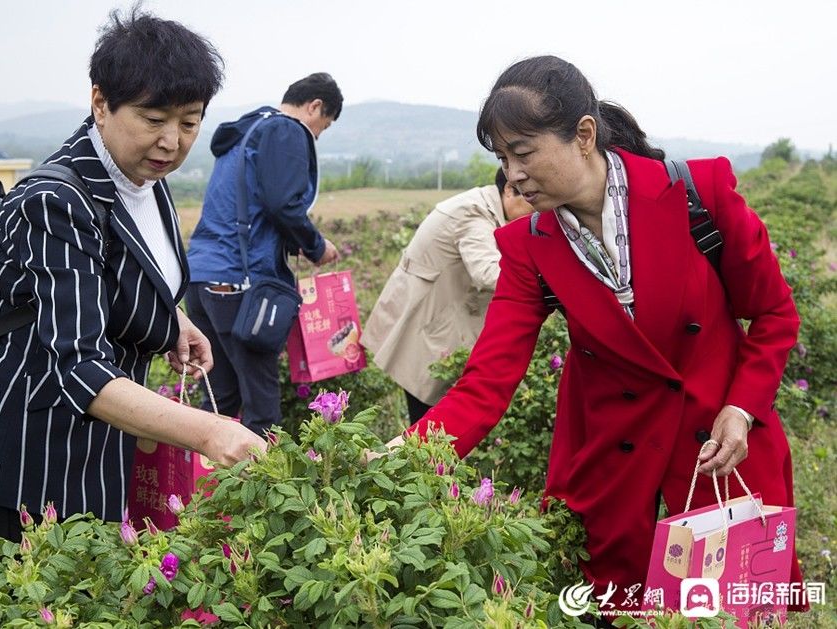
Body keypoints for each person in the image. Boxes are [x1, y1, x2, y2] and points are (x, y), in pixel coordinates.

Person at [387, 55, 803, 617]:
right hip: (617, 459)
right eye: (503, 158)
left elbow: (775, 315)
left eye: (525, 152)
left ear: (584, 135)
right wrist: (398, 459)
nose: (513, 174)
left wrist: (741, 407)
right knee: (616, 607)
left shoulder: (698, 193)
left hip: (718, 449)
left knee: (725, 609)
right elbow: (485, 384)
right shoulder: (529, 247)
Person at [0, 9, 265, 550]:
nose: (172, 141)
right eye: (153, 118)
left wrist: (173, 322)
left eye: (189, 122)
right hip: (30, 454)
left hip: (101, 445)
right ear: (100, 102)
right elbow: (79, 368)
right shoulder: (55, 202)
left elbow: (121, 274)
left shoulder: (143, 178)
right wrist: (211, 430)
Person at [185, 73, 342, 437]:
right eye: (324, 126)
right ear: (315, 106)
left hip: (203, 279)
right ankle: (259, 491)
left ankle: (206, 489)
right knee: (261, 408)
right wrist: (317, 247)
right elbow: (282, 205)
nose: (317, 135)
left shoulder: (249, 130)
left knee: (220, 400)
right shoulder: (286, 131)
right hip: (241, 282)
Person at [360, 170, 532, 423]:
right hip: (430, 322)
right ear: (509, 189)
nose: (537, 211)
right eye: (530, 198)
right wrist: (540, 279)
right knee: (429, 421)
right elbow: (487, 272)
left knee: (431, 417)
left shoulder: (481, 204)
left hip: (430, 315)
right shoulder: (474, 213)